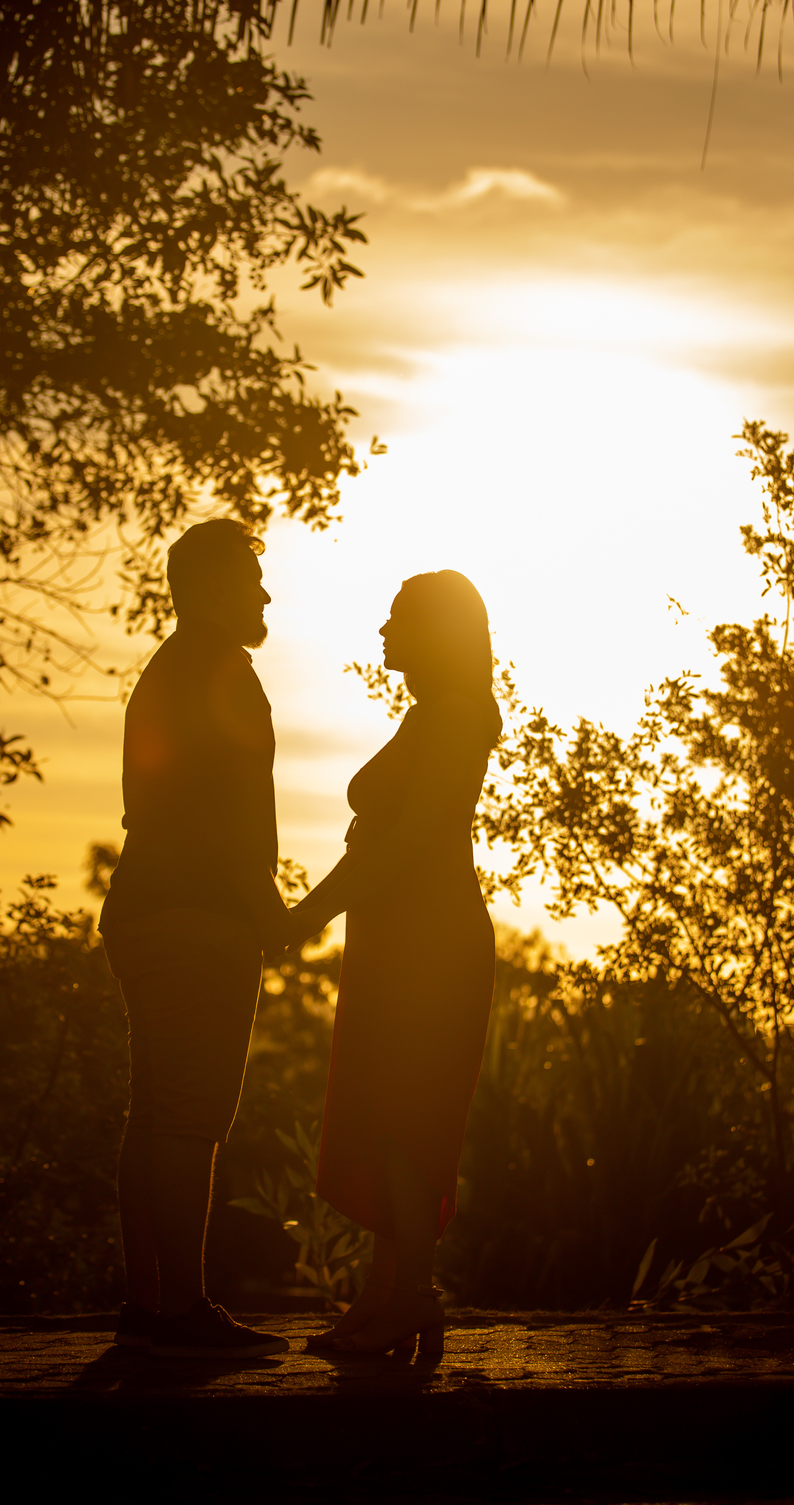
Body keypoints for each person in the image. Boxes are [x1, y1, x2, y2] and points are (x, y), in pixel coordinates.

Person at [286, 569, 502, 1357]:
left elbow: (409, 840)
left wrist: (312, 912)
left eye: (398, 619)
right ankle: (384, 1294)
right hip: (396, 942)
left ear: (436, 632)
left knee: (407, 1124)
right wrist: (318, 910)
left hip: (429, 944)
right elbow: (381, 843)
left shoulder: (454, 715)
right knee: (385, 1122)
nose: (382, 632)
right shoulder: (430, 715)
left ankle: (413, 1296)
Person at [99, 519, 296, 1357]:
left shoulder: (164, 671)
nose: (265, 593)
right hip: (198, 922)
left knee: (154, 1115)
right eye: (252, 579)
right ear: (214, 587)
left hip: (142, 910)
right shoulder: (224, 673)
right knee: (189, 1121)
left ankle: (152, 1303)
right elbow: (239, 820)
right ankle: (180, 1312)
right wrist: (271, 911)